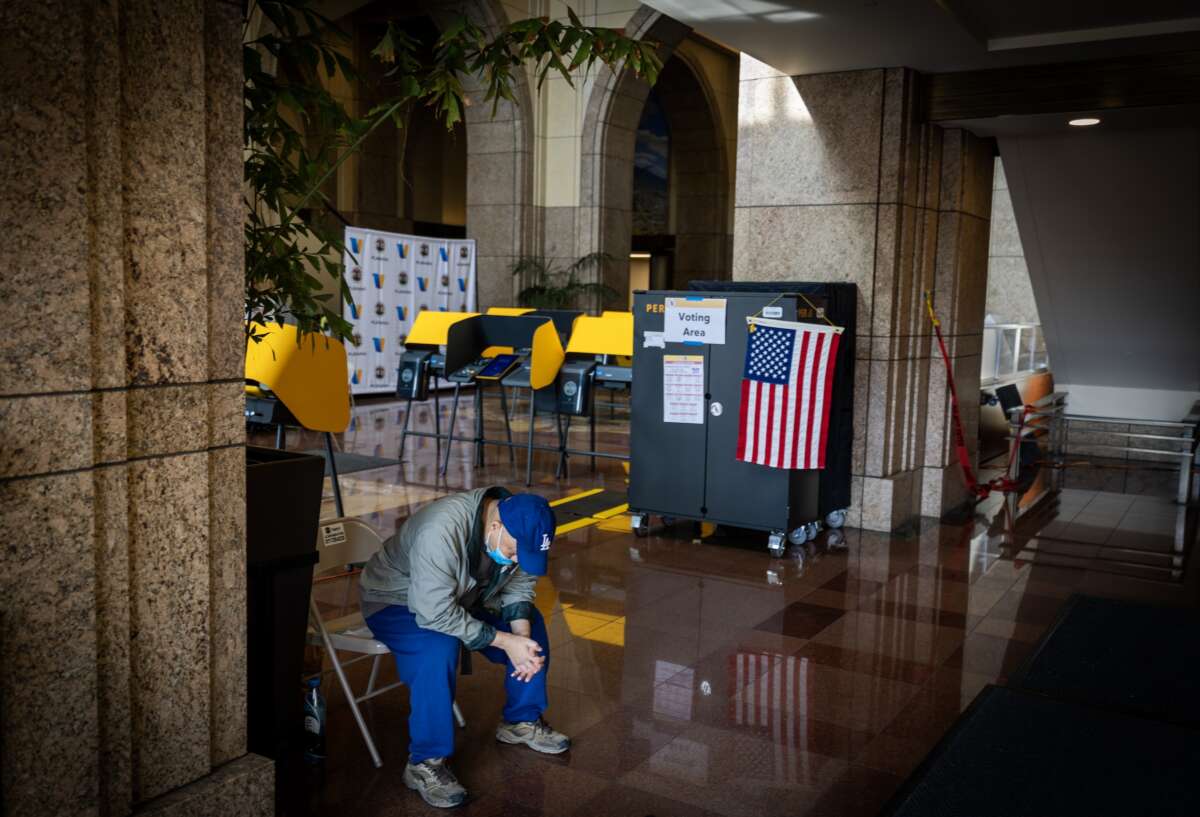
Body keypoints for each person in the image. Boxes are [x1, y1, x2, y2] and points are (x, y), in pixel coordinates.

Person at [358, 487, 569, 808]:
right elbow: (433, 612)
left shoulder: (519, 527)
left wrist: (521, 638)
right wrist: (505, 641)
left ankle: (521, 721)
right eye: (514, 552)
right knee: (436, 647)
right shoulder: (440, 531)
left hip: (464, 595)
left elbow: (520, 583)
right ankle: (425, 763)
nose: (515, 560)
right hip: (396, 598)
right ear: (495, 527)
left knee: (532, 627)